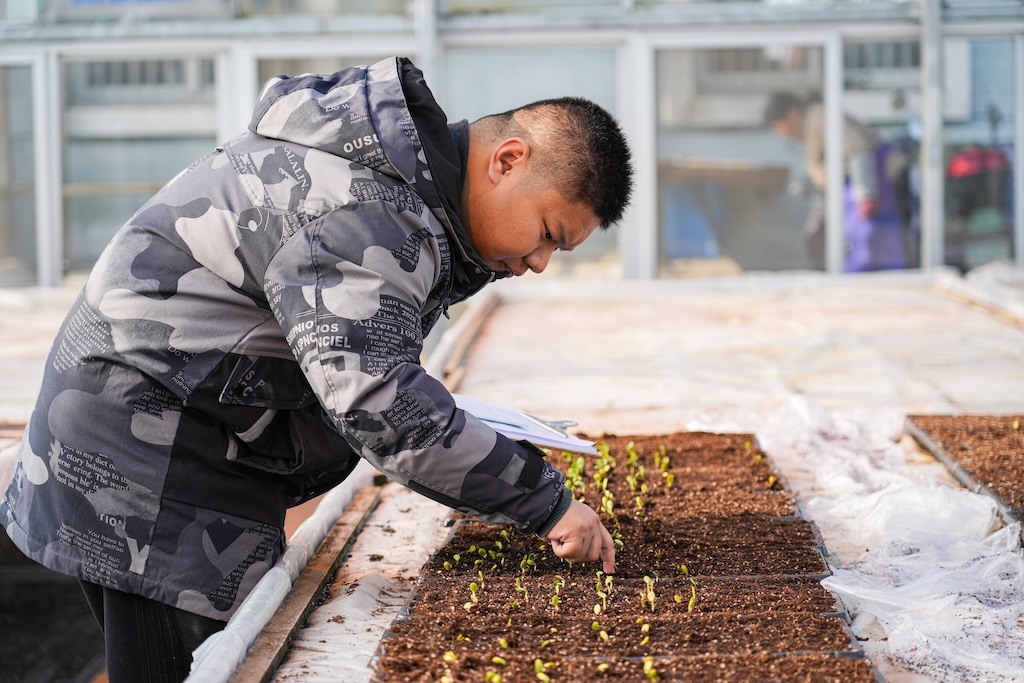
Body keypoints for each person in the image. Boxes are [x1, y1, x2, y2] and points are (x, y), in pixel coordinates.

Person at [0, 56, 632, 682]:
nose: (541, 261)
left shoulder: (382, 188)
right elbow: (378, 399)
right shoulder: (362, 210)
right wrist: (545, 503)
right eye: (549, 232)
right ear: (508, 160)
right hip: (144, 459)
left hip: (165, 433)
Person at [764, 91, 909, 271]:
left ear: (791, 115)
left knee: (873, 244)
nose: (783, 135)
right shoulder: (810, 125)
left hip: (875, 184)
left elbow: (858, 147)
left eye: (780, 127)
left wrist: (866, 195)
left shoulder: (819, 117)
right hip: (860, 189)